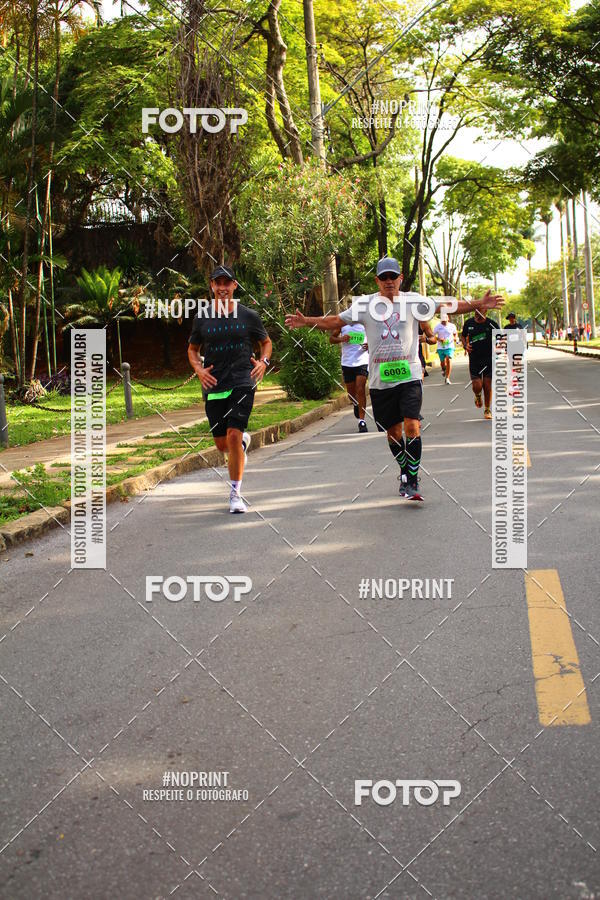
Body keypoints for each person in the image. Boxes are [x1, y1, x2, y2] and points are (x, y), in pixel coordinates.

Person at [285, 257, 503, 502]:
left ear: (400, 279)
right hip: (380, 381)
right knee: (393, 433)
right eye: (384, 277)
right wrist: (306, 322)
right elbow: (334, 321)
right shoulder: (365, 305)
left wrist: (478, 304)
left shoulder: (413, 300)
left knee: (412, 424)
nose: (389, 281)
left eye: (393, 277)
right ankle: (404, 468)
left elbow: (447, 306)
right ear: (377, 280)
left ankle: (411, 477)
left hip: (409, 375)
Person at [188, 265, 272, 514]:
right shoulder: (201, 317)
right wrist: (199, 370)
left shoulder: (248, 315)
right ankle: (241, 445)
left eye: (227, 283)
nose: (223, 288)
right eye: (218, 283)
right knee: (222, 444)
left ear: (235, 285)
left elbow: (266, 342)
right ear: (212, 286)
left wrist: (264, 362)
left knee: (234, 434)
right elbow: (193, 350)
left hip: (241, 381)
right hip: (214, 384)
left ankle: (235, 493)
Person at [330, 322, 369, 432]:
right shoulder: (343, 322)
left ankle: (362, 421)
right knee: (351, 394)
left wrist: (369, 344)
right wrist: (342, 339)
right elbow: (332, 339)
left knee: (360, 389)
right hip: (347, 362)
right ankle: (356, 404)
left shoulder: (365, 321)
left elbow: (375, 336)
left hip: (362, 360)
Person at [461, 309, 499, 420]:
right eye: (476, 312)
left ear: (485, 312)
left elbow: (501, 337)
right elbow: (463, 336)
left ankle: (487, 409)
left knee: (487, 385)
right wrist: (465, 346)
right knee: (477, 386)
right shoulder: (469, 323)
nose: (477, 315)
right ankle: (478, 395)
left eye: (480, 312)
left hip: (489, 358)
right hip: (474, 359)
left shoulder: (492, 324)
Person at [433, 313, 458, 383]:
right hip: (440, 347)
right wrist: (439, 339)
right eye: (442, 319)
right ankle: (444, 369)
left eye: (445, 319)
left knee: (449, 359)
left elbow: (455, 333)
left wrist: (455, 337)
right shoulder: (437, 326)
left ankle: (447, 378)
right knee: (442, 363)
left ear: (448, 319)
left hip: (450, 346)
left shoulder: (452, 326)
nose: (444, 320)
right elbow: (432, 335)